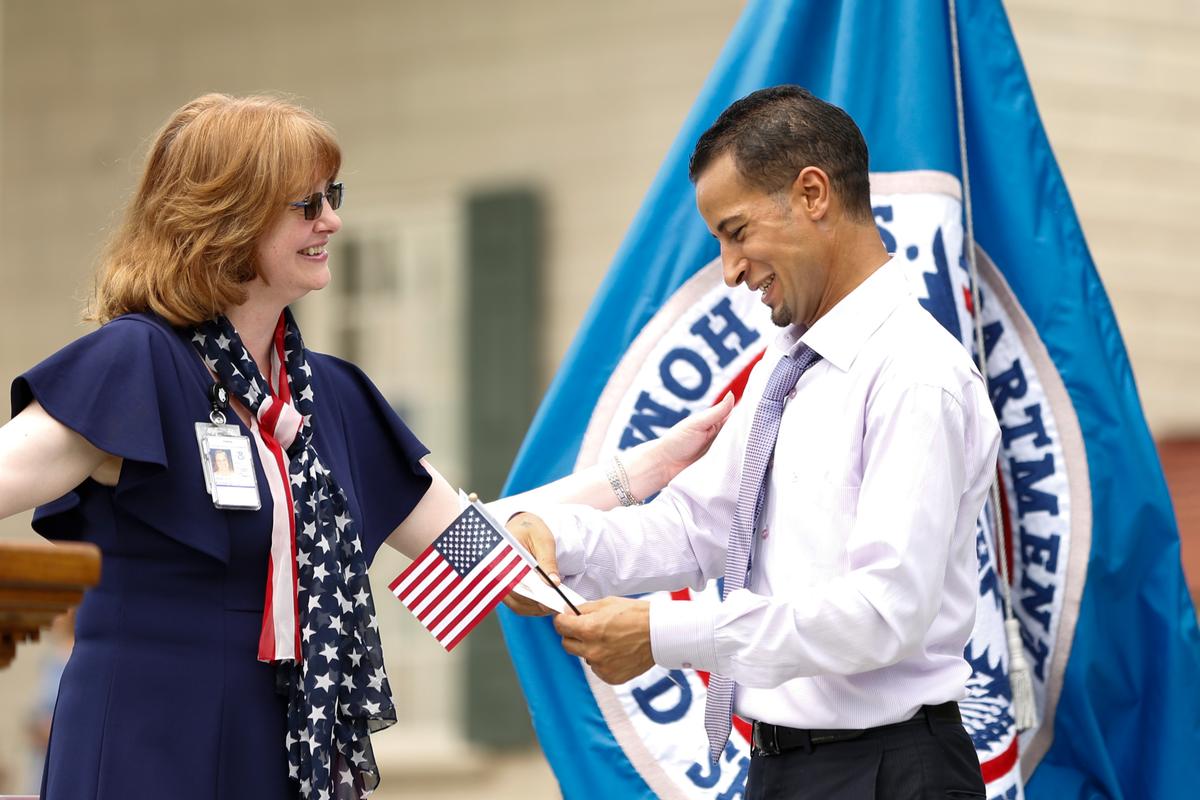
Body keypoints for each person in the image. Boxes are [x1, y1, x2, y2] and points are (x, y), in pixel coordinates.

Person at [0, 93, 732, 800]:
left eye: (334, 196)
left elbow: (472, 543)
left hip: (283, 744)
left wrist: (647, 467)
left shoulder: (331, 397)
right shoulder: (135, 363)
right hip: (145, 740)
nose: (334, 222)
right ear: (228, 216)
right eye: (308, 204)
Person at [507, 85, 1001, 799]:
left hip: (891, 771)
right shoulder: (786, 367)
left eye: (736, 232)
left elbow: (881, 614)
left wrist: (661, 633)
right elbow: (698, 526)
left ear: (812, 194)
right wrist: (557, 538)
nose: (732, 269)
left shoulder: (916, 376)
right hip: (780, 770)